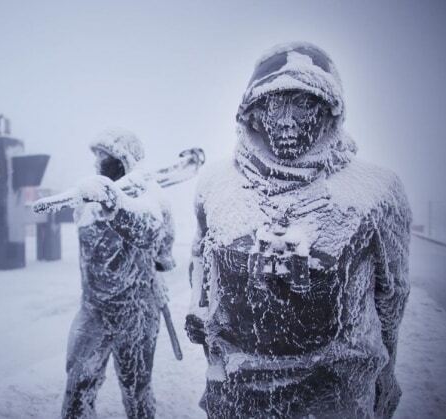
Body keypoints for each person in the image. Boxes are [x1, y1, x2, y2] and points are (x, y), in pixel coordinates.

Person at [185, 42, 411, 418]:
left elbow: (392, 298)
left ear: (328, 110)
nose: (287, 121)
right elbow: (201, 263)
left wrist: (383, 374)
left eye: (303, 104)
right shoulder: (215, 185)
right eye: (275, 104)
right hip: (236, 394)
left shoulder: (377, 191)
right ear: (254, 113)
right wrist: (199, 310)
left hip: (336, 395)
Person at [61, 129, 175, 419]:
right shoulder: (85, 202)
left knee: (137, 393)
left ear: (126, 159)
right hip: (93, 311)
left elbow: (156, 240)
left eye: (108, 158)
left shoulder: (151, 196)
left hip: (136, 313)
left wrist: (116, 203)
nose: (102, 164)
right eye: (99, 158)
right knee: (77, 391)